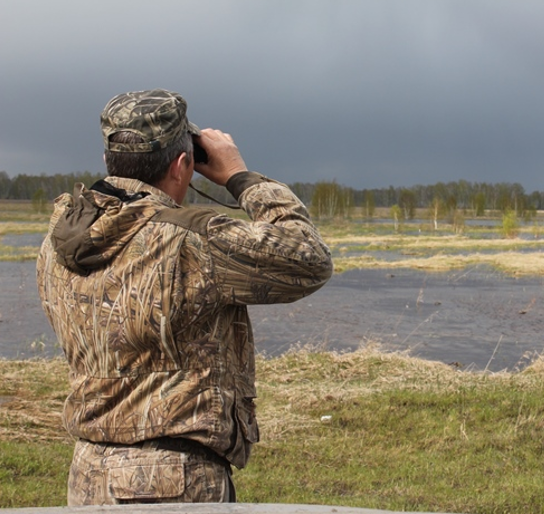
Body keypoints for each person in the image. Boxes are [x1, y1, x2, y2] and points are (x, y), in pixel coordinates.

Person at [36, 89, 333, 505]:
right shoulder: (189, 240)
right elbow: (310, 259)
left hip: (88, 474)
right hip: (175, 480)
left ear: (109, 160)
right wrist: (239, 177)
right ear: (182, 164)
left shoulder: (58, 240)